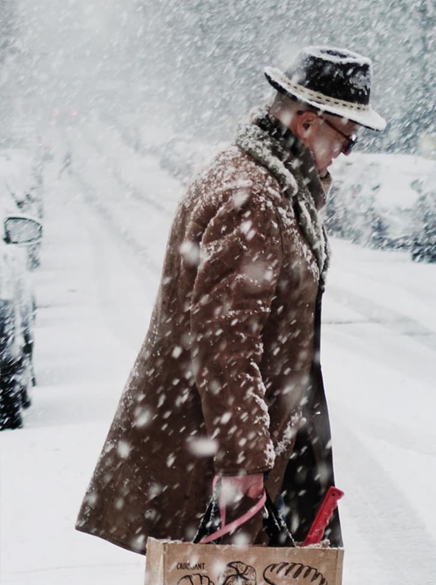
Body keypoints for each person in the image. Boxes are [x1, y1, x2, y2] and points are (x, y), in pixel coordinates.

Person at [75, 47, 386, 554]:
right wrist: (242, 464)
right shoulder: (256, 198)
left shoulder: (256, 178)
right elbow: (225, 343)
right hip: (221, 457)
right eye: (346, 139)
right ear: (307, 124)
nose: (345, 155)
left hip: (226, 442)